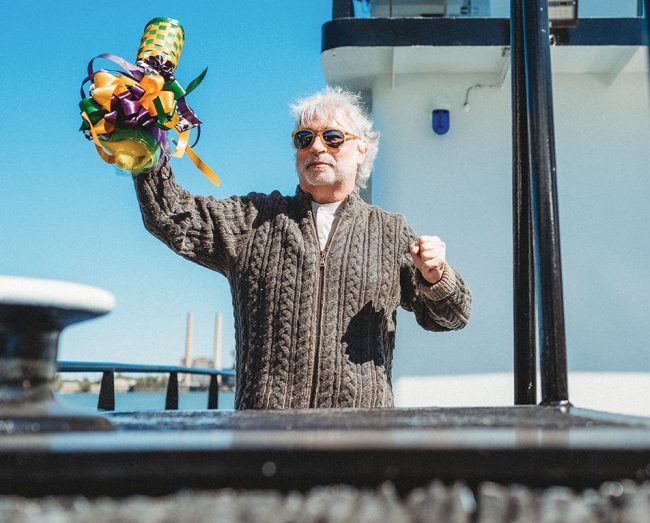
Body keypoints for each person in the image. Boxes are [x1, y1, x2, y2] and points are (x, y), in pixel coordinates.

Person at [134, 87, 472, 410]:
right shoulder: (253, 219)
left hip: (361, 444)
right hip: (265, 443)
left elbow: (453, 317)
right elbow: (169, 215)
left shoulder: (391, 232)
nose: (317, 147)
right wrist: (142, 141)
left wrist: (436, 276)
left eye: (333, 137)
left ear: (362, 150)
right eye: (304, 138)